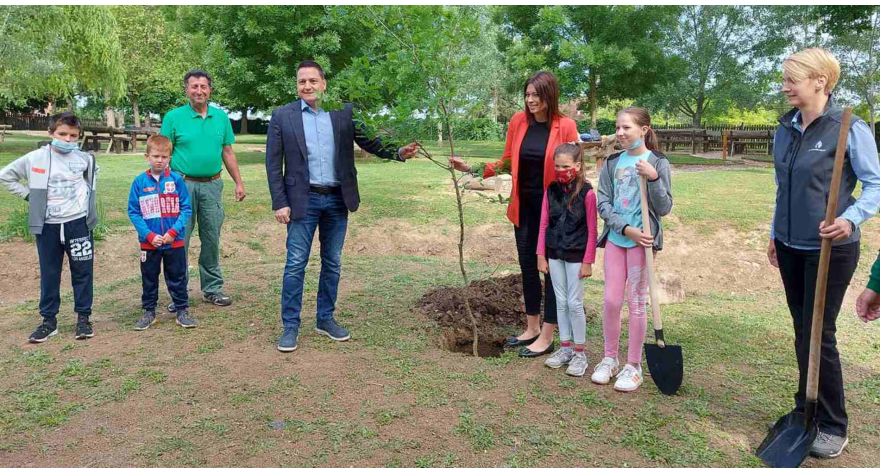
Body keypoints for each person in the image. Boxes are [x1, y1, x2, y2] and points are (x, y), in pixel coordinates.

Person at [766, 48, 880, 459]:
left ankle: (833, 423)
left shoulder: (849, 127)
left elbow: (875, 184)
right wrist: (773, 234)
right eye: (785, 78)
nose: (785, 86)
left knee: (820, 332)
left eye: (793, 78)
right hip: (789, 243)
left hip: (831, 247)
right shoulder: (786, 127)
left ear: (820, 80)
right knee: (801, 329)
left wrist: (850, 219)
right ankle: (806, 409)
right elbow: (783, 188)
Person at [266, 60, 418, 353]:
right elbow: (273, 164)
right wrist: (279, 202)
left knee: (332, 262)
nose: (307, 86)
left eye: (312, 81)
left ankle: (325, 319)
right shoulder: (282, 116)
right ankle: (290, 326)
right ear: (296, 85)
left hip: (338, 199)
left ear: (324, 84)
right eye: (301, 82)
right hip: (302, 201)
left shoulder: (344, 112)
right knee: (296, 263)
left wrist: (398, 152)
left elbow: (370, 142)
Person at [450, 71, 580, 357]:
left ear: (549, 95)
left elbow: (574, 169)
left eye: (536, 95)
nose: (530, 100)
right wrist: (471, 168)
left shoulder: (566, 126)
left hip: (554, 212)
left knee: (551, 271)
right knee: (528, 267)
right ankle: (532, 328)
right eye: (527, 94)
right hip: (523, 207)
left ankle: (547, 335)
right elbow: (507, 162)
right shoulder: (518, 122)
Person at [0, 112, 98, 342]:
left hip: (78, 224)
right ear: (51, 133)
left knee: (83, 272)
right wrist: (30, 197)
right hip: (48, 226)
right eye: (62, 134)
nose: (67, 140)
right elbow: (6, 177)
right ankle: (49, 321)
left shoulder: (85, 159)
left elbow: (91, 181)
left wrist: (86, 206)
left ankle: (83, 318)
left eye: (73, 136)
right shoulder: (35, 158)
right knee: (50, 273)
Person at [594, 106, 673, 392]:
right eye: (618, 127)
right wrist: (625, 229)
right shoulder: (613, 163)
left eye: (627, 127)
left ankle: (633, 365)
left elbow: (664, 207)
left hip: (643, 245)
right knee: (612, 301)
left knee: (636, 302)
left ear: (644, 130)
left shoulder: (658, 162)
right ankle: (609, 358)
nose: (620, 133)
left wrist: (653, 178)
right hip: (618, 239)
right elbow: (603, 203)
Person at [160, 69, 246, 311]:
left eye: (203, 86)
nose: (199, 90)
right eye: (194, 86)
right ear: (186, 89)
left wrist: (238, 182)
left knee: (211, 238)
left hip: (212, 185)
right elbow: (163, 153)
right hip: (181, 186)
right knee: (179, 239)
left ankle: (212, 289)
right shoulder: (173, 118)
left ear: (210, 90)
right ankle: (179, 294)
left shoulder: (221, 118)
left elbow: (227, 152)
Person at [536, 143, 598, 376]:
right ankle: (565, 348)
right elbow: (543, 224)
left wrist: (587, 260)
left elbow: (592, 230)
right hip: (554, 253)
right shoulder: (550, 190)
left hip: (576, 255)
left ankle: (580, 352)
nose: (561, 171)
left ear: (578, 166)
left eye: (566, 166)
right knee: (560, 302)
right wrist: (541, 255)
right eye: (557, 166)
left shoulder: (587, 193)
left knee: (574, 303)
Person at [127, 135, 194, 330]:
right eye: (156, 156)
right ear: (146, 156)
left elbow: (186, 209)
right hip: (150, 243)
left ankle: (182, 310)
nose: (160, 160)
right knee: (149, 277)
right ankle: (149, 312)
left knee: (177, 276)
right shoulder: (139, 182)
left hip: (174, 241)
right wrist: (149, 235)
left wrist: (173, 232)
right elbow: (134, 211)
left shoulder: (177, 181)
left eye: (164, 157)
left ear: (170, 158)